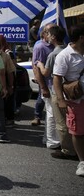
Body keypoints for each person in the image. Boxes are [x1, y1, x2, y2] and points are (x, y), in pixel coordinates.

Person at [36, 25, 75, 158]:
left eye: (48, 33)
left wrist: (40, 65)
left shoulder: (54, 54)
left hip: (58, 90)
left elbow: (46, 73)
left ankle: (67, 149)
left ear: (53, 37)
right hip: (72, 90)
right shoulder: (69, 50)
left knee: (60, 121)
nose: (46, 35)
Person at [52, 23, 84, 176]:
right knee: (77, 131)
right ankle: (82, 162)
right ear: (81, 38)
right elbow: (57, 78)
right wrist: (60, 99)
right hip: (76, 99)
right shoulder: (64, 55)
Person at [31, 23, 54, 126]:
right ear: (44, 34)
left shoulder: (56, 45)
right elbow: (36, 66)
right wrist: (43, 86)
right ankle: (37, 116)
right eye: (50, 32)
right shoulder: (40, 46)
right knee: (41, 99)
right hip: (45, 80)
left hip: (55, 80)